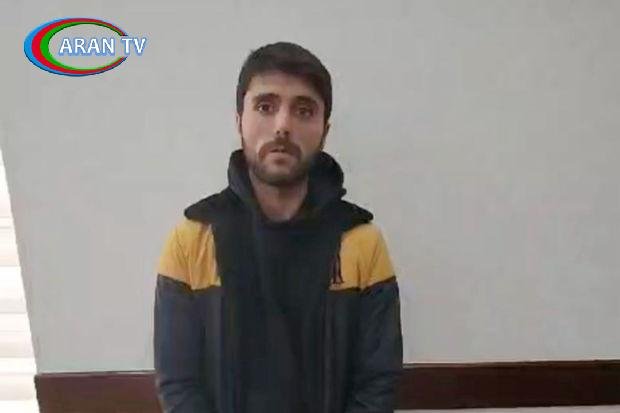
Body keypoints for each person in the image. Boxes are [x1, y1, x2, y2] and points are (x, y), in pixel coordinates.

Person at [154, 41, 403, 413]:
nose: (283, 125)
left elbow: (377, 383)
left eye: (303, 110)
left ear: (324, 130)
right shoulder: (191, 239)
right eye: (265, 107)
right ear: (239, 120)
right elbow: (179, 384)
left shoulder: (361, 242)